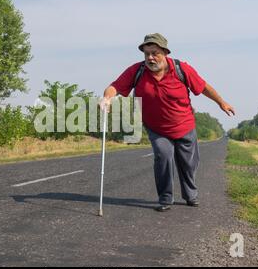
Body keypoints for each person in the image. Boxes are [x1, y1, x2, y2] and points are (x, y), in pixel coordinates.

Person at [100, 33, 235, 212]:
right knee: (162, 157)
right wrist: (106, 98)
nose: (150, 57)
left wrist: (221, 102)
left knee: (188, 164)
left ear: (165, 52)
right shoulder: (137, 71)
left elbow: (203, 87)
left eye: (154, 53)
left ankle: (190, 195)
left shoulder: (181, 69)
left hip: (184, 125)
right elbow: (115, 86)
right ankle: (165, 198)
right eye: (146, 53)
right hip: (157, 128)